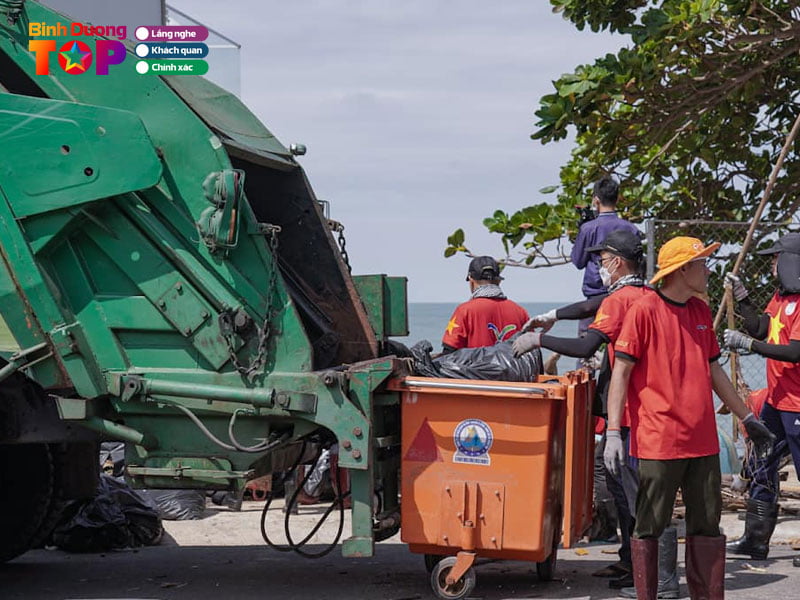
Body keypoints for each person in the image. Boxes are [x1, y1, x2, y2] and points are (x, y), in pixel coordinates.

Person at [604, 236, 775, 600]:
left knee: (707, 528)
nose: (707, 269)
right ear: (682, 270)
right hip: (658, 441)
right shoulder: (644, 311)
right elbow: (620, 373)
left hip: (703, 441)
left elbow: (714, 371)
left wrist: (747, 418)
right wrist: (615, 432)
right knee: (650, 526)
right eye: (701, 263)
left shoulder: (699, 313)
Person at [514, 230, 680, 597]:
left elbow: (587, 342)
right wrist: (550, 315)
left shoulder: (621, 300)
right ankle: (630, 560)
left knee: (636, 495)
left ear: (618, 262)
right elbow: (592, 306)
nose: (600, 267)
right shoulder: (644, 293)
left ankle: (654, 578)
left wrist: (538, 340)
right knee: (625, 492)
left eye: (603, 261)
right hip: (645, 409)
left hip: (630, 415)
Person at [723, 232, 800, 565]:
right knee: (761, 463)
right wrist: (742, 299)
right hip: (776, 401)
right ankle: (756, 540)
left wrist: (748, 345)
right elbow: (760, 328)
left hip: (798, 404)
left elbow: (795, 352)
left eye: (775, 259)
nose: (772, 265)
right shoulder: (781, 298)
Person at [570, 176, 640, 336]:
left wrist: (581, 231)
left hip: (595, 293)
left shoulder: (588, 228)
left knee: (587, 345)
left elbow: (578, 261)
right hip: (625, 292)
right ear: (617, 199)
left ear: (596, 200)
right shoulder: (630, 228)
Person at [441, 256, 528, 352]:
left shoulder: (465, 311)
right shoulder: (520, 312)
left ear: (471, 279)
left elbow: (449, 352)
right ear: (498, 281)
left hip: (475, 367)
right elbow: (531, 351)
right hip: (513, 367)